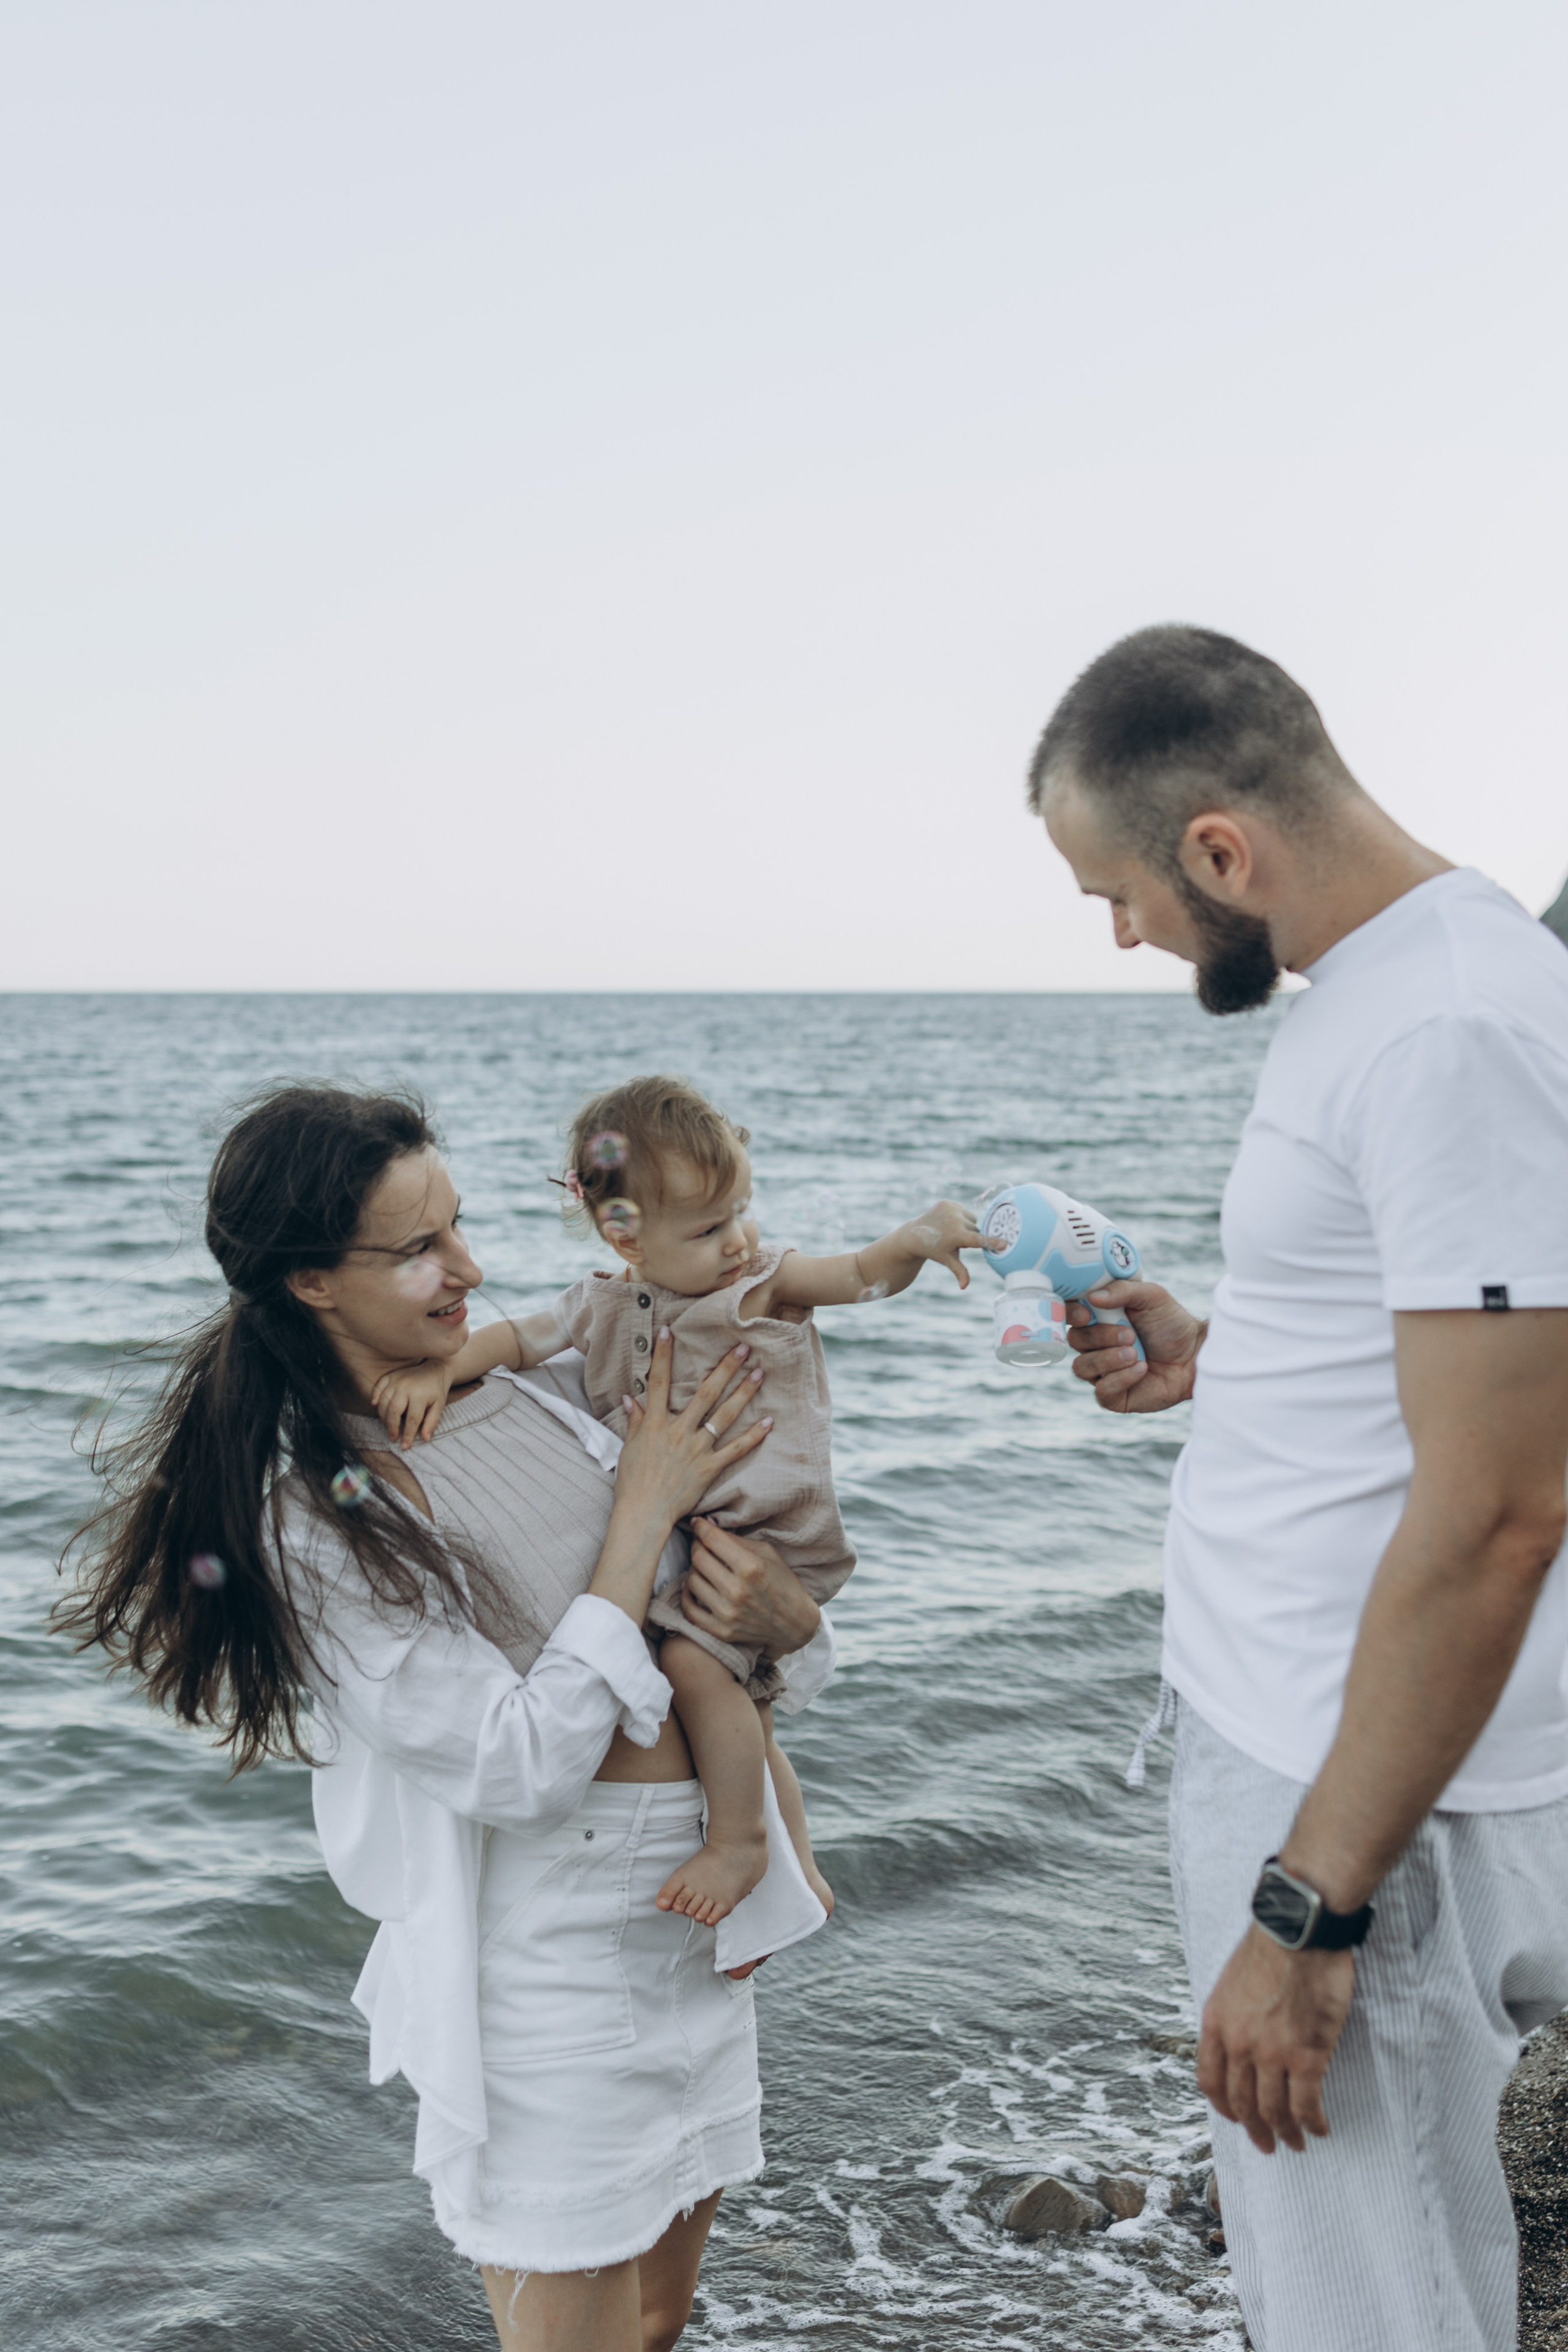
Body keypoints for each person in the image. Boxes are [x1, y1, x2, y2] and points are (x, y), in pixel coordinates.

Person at [56, 1083, 835, 2352]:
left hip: (694, 1917)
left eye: (459, 1226)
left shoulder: (534, 1394)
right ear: (311, 1280)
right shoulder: (313, 1513)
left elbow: (738, 1639)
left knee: (658, 2319)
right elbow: (513, 1767)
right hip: (555, 1958)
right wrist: (638, 1516)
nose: (467, 1269)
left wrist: (794, 1627)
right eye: (418, 1248)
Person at [1031, 625, 1568, 2352]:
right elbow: (1459, 1366)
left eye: (1119, 892)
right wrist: (1230, 1354)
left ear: (1218, 851)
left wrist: (1309, 1910)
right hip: (1327, 1744)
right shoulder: (1409, 991)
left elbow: (1503, 1505)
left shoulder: (1450, 1028)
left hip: (1361, 1795)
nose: (1123, 936)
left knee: (1373, 2308)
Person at [371, 1072, 992, 1934]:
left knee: (698, 1672)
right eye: (708, 1227)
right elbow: (516, 1340)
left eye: (742, 1209)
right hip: (703, 1536)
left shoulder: (761, 1285)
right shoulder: (600, 1303)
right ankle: (796, 1873)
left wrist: (916, 1240)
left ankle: (740, 1845)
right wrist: (445, 1367)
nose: (738, 1239)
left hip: (768, 1530)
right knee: (753, 1716)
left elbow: (856, 1275)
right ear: (624, 1236)